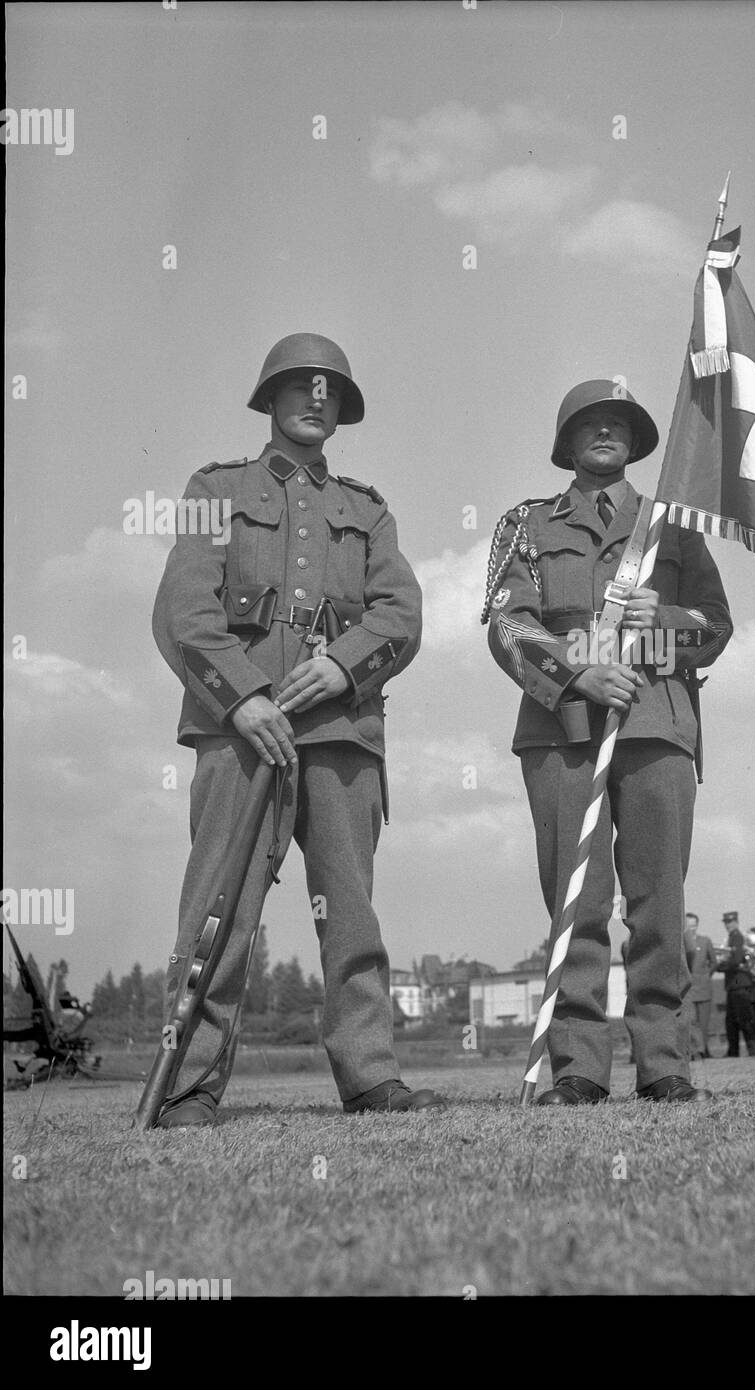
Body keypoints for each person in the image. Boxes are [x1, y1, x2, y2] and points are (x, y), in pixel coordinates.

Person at [151, 334, 443, 1126]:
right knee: (220, 909)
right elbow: (184, 610)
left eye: (331, 390)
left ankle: (371, 1077)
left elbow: (402, 612)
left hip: (341, 732)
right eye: (300, 386)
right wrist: (242, 697)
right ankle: (188, 1084)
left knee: (349, 912)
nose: (317, 398)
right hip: (239, 731)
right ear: (271, 399)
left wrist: (346, 665)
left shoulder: (368, 509)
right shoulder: (215, 487)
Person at [484, 380, 732, 1104]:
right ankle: (581, 1069)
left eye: (619, 423)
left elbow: (715, 626)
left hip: (656, 724)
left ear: (636, 442)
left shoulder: (670, 526)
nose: (605, 432)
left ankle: (664, 1063)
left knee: (659, 903)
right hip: (562, 731)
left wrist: (667, 615)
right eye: (590, 423)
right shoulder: (525, 525)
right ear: (568, 441)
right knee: (577, 903)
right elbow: (508, 624)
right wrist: (579, 674)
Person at [721, 916, 755, 1057]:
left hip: (739, 983)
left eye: (730, 922)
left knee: (744, 1019)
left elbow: (736, 960)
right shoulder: (732, 937)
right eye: (726, 922)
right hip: (735, 984)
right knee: (732, 1021)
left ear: (736, 923)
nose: (728, 925)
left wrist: (722, 966)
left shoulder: (737, 937)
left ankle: (752, 1049)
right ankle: (735, 1051)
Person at [684, 912, 719, 1058]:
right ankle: (695, 1051)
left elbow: (714, 962)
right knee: (691, 1022)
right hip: (689, 989)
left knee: (703, 1023)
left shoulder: (705, 941)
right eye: (688, 926)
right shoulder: (682, 942)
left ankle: (705, 1052)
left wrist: (706, 975)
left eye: (693, 925)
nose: (691, 929)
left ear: (697, 925)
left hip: (704, 988)